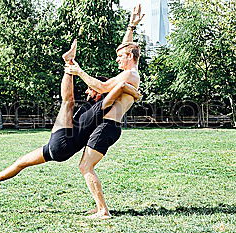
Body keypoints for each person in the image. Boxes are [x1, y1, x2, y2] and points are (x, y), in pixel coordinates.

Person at [0, 40, 140, 193]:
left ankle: (67, 64)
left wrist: (132, 91)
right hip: (58, 148)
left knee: (67, 102)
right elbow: (119, 81)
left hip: (63, 142)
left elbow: (110, 88)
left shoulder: (100, 108)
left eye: (90, 89)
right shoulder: (94, 107)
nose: (87, 89)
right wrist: (132, 90)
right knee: (21, 162)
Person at [64, 4, 145, 219]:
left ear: (130, 56)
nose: (117, 59)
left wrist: (79, 71)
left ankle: (103, 210)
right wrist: (131, 26)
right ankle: (100, 207)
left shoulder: (129, 76)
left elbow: (101, 87)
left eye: (120, 56)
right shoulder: (130, 71)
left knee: (85, 166)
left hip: (108, 127)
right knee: (85, 165)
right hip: (105, 125)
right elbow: (125, 47)